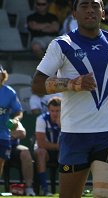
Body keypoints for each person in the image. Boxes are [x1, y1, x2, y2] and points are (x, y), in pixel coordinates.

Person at [31, 0, 108, 197]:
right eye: (84, 5)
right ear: (74, 13)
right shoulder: (62, 44)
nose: (90, 10)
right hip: (74, 135)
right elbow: (37, 84)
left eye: (95, 6)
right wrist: (71, 83)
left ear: (103, 12)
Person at [0, 65, 35, 195]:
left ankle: (29, 188)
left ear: (2, 75)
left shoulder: (9, 92)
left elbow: (18, 112)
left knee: (1, 162)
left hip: (4, 135)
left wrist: (15, 120)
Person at [34, 96, 61, 196]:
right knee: (41, 152)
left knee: (66, 153)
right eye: (52, 111)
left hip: (60, 153)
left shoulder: (67, 120)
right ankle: (45, 189)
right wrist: (59, 147)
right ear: (48, 110)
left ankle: (64, 188)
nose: (54, 113)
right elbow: (41, 144)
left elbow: (71, 142)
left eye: (57, 111)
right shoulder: (41, 119)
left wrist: (61, 125)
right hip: (45, 152)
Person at [10, 122, 36, 196]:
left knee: (25, 152)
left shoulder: (11, 120)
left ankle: (29, 188)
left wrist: (9, 134)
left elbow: (22, 133)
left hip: (13, 147)